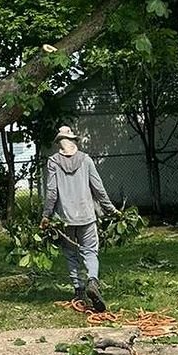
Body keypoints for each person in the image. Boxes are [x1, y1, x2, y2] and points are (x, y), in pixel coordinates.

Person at [42, 125, 117, 311]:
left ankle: (78, 289)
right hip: (86, 216)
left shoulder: (53, 162)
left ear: (59, 142)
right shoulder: (86, 160)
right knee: (90, 252)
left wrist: (46, 215)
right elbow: (98, 188)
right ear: (74, 140)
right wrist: (111, 209)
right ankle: (93, 280)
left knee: (70, 254)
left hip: (64, 219)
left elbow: (51, 192)